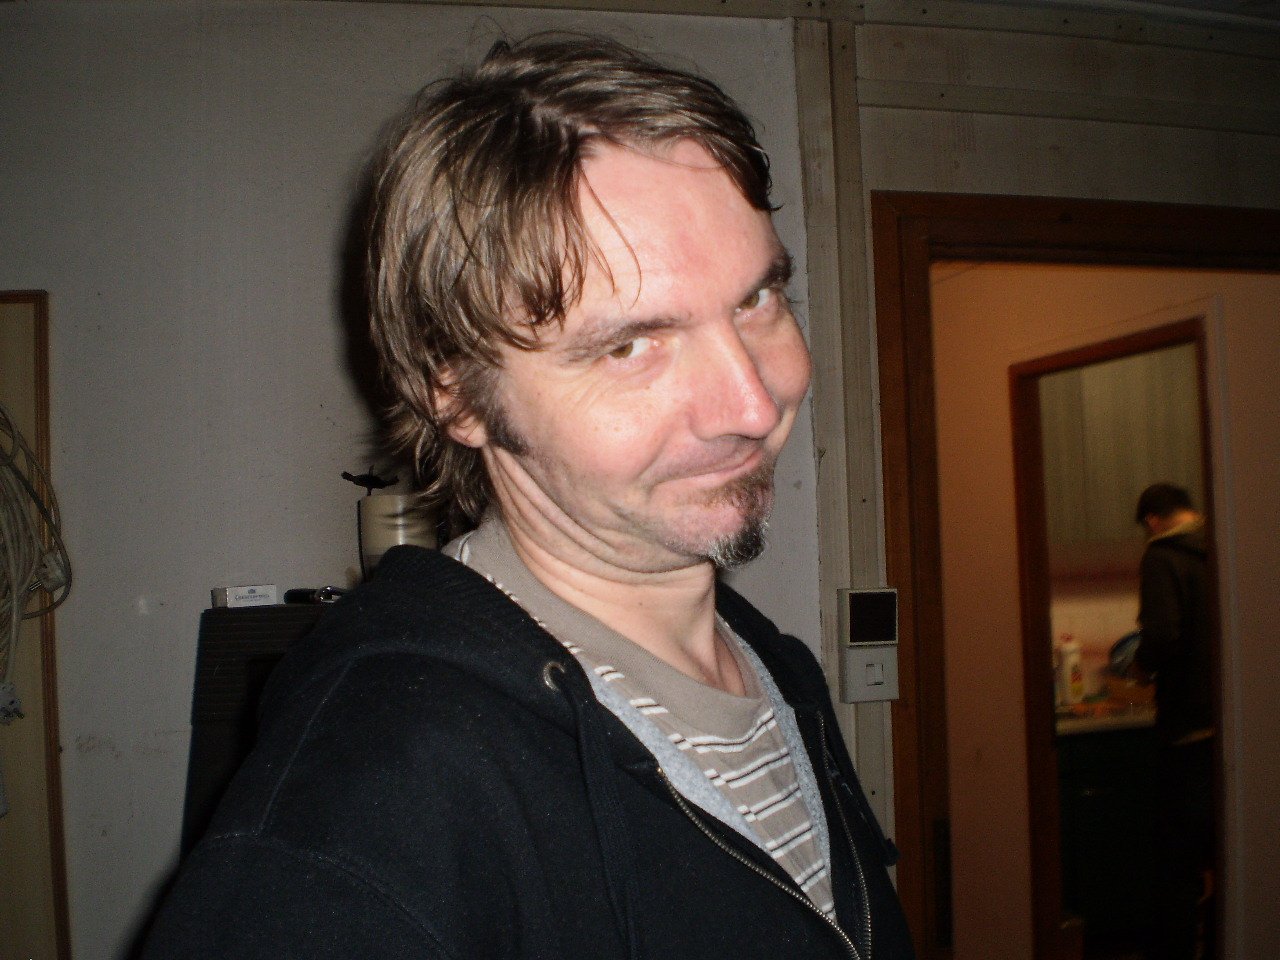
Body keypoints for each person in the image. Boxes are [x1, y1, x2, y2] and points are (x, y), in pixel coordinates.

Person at [142, 35, 915, 959]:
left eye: (756, 302)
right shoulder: (367, 794)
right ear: (458, 396)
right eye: (629, 345)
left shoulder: (776, 670)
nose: (753, 404)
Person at [1133, 482, 1214, 960]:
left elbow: (1162, 634)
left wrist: (1142, 667)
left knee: (1175, 859)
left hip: (1184, 729)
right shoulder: (1215, 549)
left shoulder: (1161, 557)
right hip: (1221, 726)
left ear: (1152, 521)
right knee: (1215, 853)